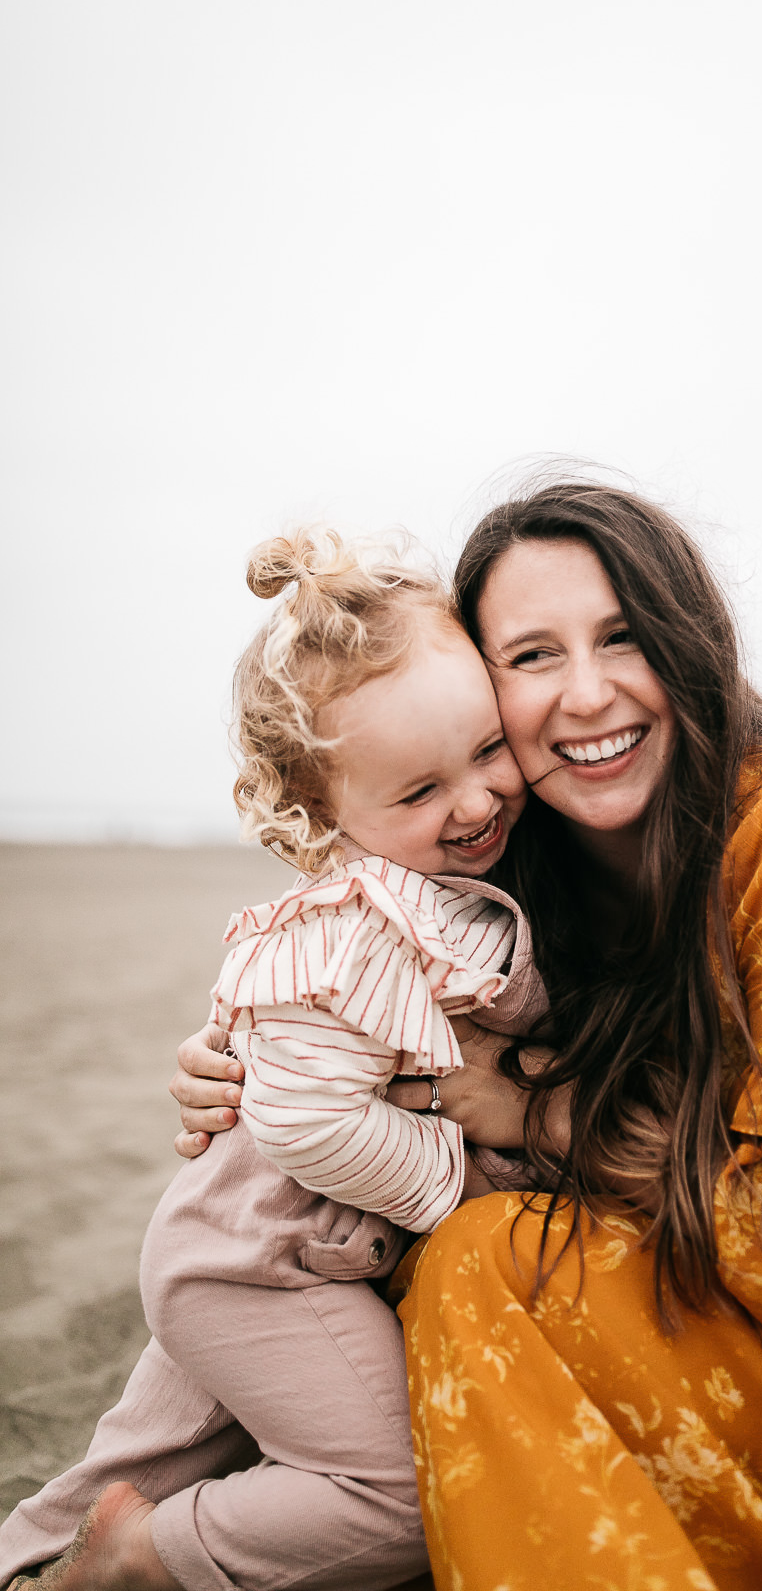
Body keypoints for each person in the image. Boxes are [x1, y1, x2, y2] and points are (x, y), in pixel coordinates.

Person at [173, 481, 762, 1590]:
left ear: (691, 643)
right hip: (731, 1301)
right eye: (531, 656)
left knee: (480, 1261)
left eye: (621, 638)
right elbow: (338, 997)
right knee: (331, 1231)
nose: (585, 694)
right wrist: (232, 1066)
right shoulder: (525, 859)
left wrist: (536, 1112)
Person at [0, 528, 554, 1591]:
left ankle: (31, 1559)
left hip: (253, 1234)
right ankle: (141, 1562)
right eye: (420, 793)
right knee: (396, 1496)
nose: (477, 802)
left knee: (148, 1454)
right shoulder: (353, 920)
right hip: (260, 1261)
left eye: (487, 754)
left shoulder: (446, 882)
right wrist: (459, 1184)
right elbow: (304, 1119)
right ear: (322, 822)